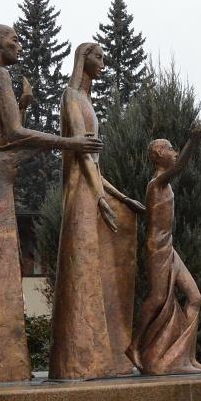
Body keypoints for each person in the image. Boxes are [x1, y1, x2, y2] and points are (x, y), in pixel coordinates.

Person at [0, 25, 103, 384]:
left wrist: (20, 107)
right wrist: (69, 143)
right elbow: (15, 135)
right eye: (13, 39)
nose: (18, 44)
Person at [49, 43, 145, 380]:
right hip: (80, 194)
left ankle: (104, 354)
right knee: (82, 270)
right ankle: (79, 359)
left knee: (98, 270)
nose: (103, 63)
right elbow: (82, 153)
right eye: (98, 57)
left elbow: (97, 164)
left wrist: (119, 196)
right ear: (83, 60)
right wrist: (99, 197)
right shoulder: (71, 96)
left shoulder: (87, 100)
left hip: (92, 189)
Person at [125, 126, 201, 374]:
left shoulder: (160, 186)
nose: (173, 152)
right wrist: (192, 140)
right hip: (157, 249)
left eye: (174, 149)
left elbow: (153, 214)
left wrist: (138, 209)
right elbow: (179, 167)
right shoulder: (157, 181)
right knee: (158, 298)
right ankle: (135, 344)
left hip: (169, 247)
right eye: (170, 149)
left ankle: (187, 357)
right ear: (159, 155)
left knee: (195, 298)